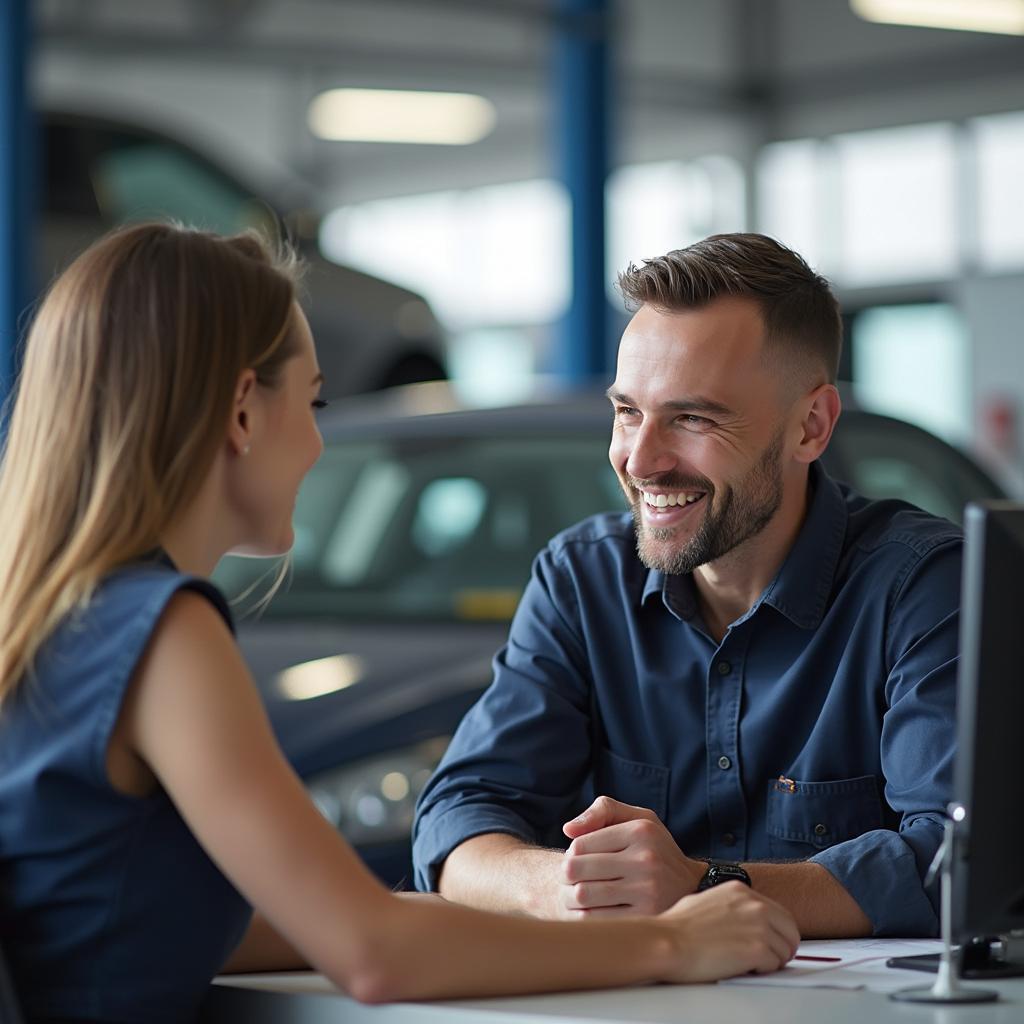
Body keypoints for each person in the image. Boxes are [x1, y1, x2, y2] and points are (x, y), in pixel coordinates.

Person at [0, 223, 799, 1024]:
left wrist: (439, 919)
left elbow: (194, 928)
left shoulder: (64, 618)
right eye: (313, 401)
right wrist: (677, 946)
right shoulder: (162, 636)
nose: (318, 442)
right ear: (243, 412)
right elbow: (372, 956)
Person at [412, 233, 961, 940]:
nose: (641, 461)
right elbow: (458, 818)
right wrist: (562, 885)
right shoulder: (582, 582)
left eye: (693, 418)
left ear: (811, 426)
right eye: (627, 411)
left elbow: (956, 858)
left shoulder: (921, 586)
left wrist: (703, 887)